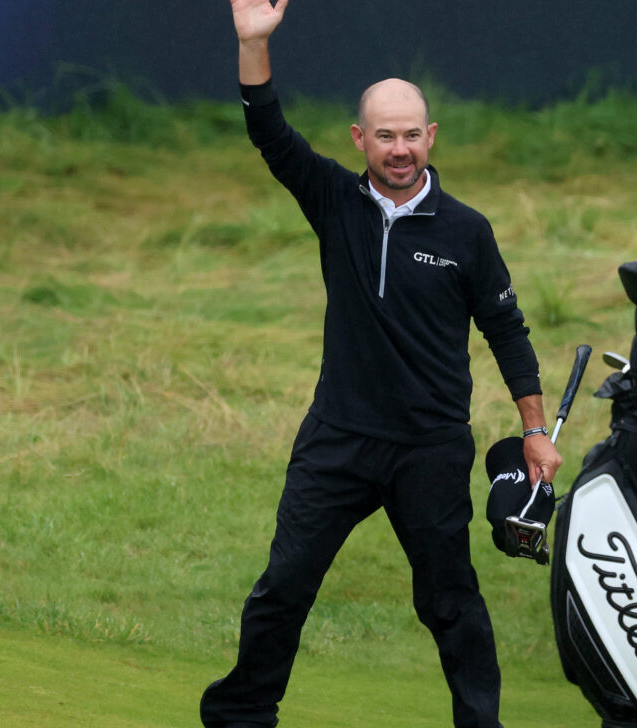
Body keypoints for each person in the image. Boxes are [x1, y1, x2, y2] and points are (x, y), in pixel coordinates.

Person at [201, 2, 562, 726]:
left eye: (411, 136)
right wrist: (252, 46)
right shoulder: (336, 201)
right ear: (360, 139)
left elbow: (506, 329)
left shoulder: (466, 231)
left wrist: (534, 429)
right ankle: (241, 717)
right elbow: (268, 133)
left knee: (450, 600)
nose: (400, 150)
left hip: (429, 446)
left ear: (431, 137)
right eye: (385, 136)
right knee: (285, 585)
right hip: (338, 436)